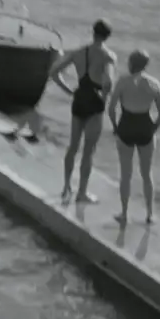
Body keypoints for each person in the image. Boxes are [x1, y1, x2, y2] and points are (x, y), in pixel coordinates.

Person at [51, 20, 116, 204]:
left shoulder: (79, 52)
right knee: (88, 151)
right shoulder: (108, 56)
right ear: (108, 36)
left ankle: (66, 187)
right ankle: (82, 193)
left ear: (93, 32)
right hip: (94, 102)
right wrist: (104, 98)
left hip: (79, 99)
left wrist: (68, 90)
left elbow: (54, 72)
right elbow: (108, 81)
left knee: (73, 146)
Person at [109, 50, 160, 225]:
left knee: (125, 174)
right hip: (145, 128)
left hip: (126, 127)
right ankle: (150, 214)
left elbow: (111, 109)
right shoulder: (154, 83)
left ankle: (124, 214)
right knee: (147, 174)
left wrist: (115, 127)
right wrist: (152, 129)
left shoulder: (123, 82)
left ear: (131, 63)